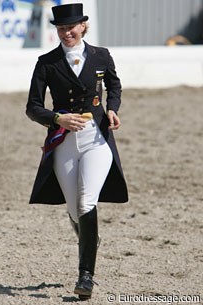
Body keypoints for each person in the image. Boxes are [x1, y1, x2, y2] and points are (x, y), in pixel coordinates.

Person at [26, 3, 128, 300]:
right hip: (63, 142)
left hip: (97, 140)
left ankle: (85, 277)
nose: (66, 33)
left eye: (71, 27)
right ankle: (89, 240)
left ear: (83, 26)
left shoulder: (101, 55)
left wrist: (113, 109)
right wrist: (57, 118)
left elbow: (114, 85)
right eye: (60, 29)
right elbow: (32, 107)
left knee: (85, 203)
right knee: (73, 208)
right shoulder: (47, 62)